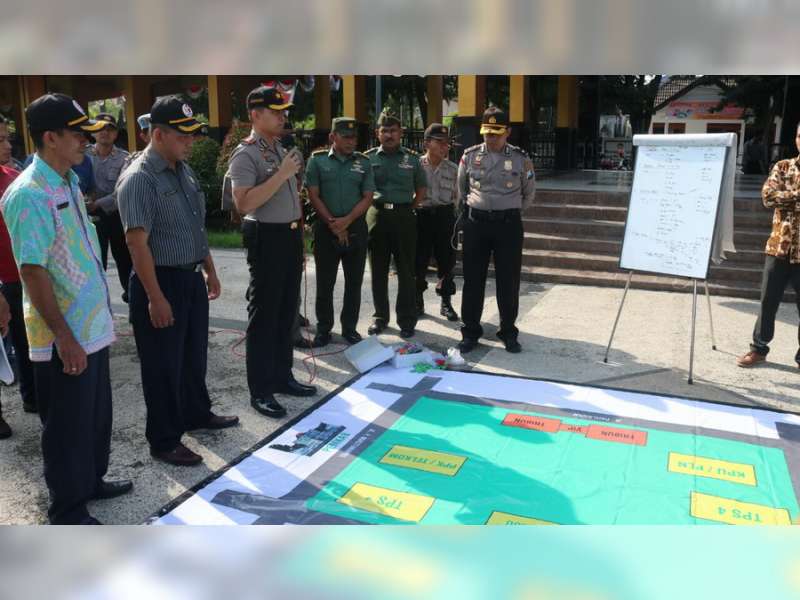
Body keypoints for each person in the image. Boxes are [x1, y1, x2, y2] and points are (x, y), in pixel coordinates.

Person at [1, 93, 131, 524]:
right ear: (50, 137)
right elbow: (33, 272)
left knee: (94, 418)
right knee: (66, 428)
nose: (87, 143)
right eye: (79, 135)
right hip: (64, 335)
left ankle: (91, 481)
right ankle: (68, 510)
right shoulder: (29, 193)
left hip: (91, 326)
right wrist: (65, 337)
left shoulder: (68, 180)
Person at [117, 95, 239, 467]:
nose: (190, 142)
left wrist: (210, 268)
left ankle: (196, 413)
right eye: (182, 135)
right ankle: (165, 439)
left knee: (191, 357)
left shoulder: (181, 170)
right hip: (160, 282)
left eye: (192, 135)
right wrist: (154, 297)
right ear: (158, 134)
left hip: (189, 278)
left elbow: (193, 226)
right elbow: (136, 244)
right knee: (162, 366)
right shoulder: (139, 179)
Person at [228, 86, 316, 419]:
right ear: (255, 115)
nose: (283, 116)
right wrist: (281, 175)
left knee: (286, 312)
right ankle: (261, 389)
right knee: (264, 316)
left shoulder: (279, 148)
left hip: (289, 236)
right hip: (266, 237)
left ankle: (282, 376)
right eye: (276, 111)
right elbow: (244, 202)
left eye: (283, 111)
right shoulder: (246, 154)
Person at [457, 107, 536, 354]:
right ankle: (470, 332)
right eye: (487, 133)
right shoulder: (468, 156)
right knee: (472, 280)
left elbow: (528, 193)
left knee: (508, 281)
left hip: (508, 226)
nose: (490, 138)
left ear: (508, 133)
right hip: (476, 225)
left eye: (496, 133)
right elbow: (462, 190)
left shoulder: (521, 158)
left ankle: (508, 332)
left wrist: (507, 211)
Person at [304, 117, 374, 347]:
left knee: (354, 282)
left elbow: (367, 197)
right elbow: (313, 194)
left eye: (354, 137)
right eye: (346, 137)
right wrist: (333, 223)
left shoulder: (363, 162)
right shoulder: (317, 161)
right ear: (333, 137)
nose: (351, 141)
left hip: (355, 228)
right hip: (326, 228)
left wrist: (346, 222)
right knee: (325, 282)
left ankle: (350, 328)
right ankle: (324, 328)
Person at [736, 122, 800, 369]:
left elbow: (779, 199)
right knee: (768, 301)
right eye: (798, 135)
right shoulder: (783, 167)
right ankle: (759, 348)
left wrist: (788, 199)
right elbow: (768, 197)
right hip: (779, 248)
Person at [365, 110, 427, 339]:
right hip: (377, 216)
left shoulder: (412, 159)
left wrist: (409, 207)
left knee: (406, 271)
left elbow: (421, 189)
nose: (389, 134)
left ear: (401, 132)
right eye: (384, 130)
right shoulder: (368, 158)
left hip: (404, 217)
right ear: (377, 133)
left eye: (393, 130)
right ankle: (380, 316)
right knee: (378, 269)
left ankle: (407, 320)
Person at [0, 116, 37, 435]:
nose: (8, 145)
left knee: (26, 341)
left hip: (18, 277)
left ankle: (32, 395)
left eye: (7, 138)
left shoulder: (14, 178)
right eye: (0, 140)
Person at [87, 113, 133, 302]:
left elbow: (120, 192)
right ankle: (98, 302)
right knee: (96, 262)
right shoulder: (83, 155)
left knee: (124, 261)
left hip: (115, 216)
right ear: (93, 132)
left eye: (110, 129)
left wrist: (96, 203)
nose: (105, 132)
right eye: (100, 128)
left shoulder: (125, 158)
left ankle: (132, 299)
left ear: (116, 134)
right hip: (89, 218)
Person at [415, 123, 459, 322]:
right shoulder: (416, 166)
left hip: (444, 216)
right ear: (426, 143)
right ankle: (417, 300)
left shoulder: (453, 168)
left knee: (446, 261)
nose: (444, 147)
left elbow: (458, 196)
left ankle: (446, 302)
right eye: (439, 142)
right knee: (419, 260)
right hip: (421, 217)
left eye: (446, 143)